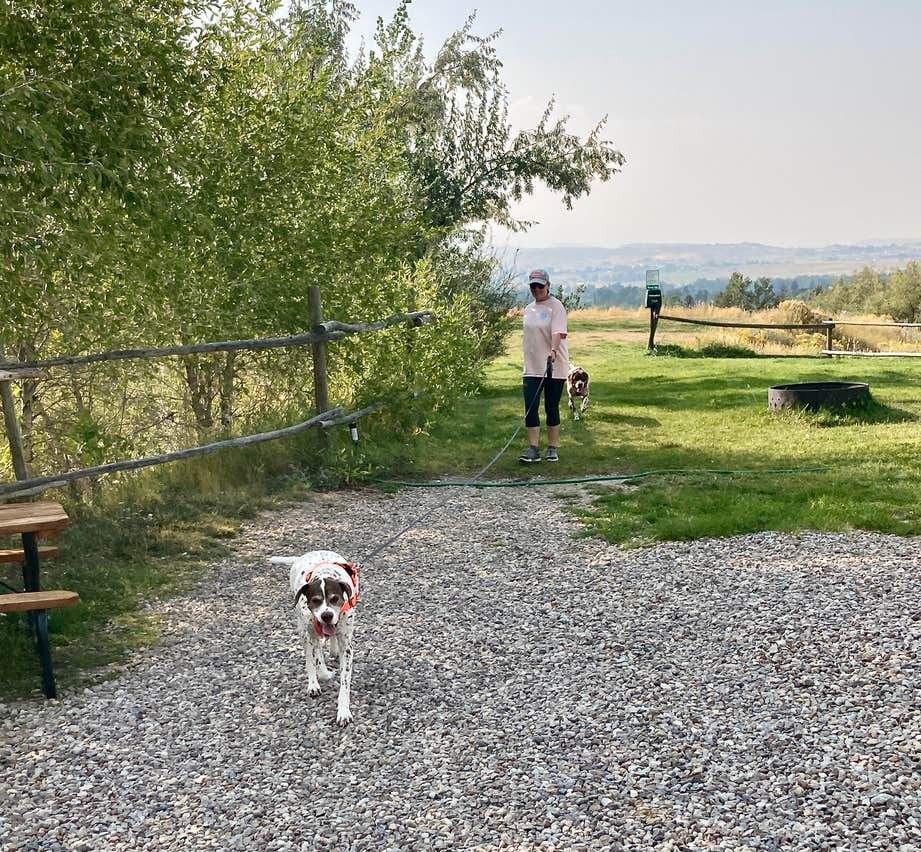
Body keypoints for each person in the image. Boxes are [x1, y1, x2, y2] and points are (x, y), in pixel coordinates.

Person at [519, 268, 569, 463]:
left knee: (551, 406)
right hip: (532, 366)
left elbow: (558, 332)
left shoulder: (556, 307)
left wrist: (554, 350)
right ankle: (533, 448)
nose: (537, 289)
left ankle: (552, 447)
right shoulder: (528, 309)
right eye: (533, 286)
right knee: (530, 407)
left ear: (548, 286)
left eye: (540, 285)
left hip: (553, 366)